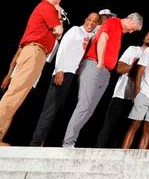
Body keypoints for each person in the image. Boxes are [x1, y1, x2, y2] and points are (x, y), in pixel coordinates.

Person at [0, 0, 65, 146]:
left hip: (36, 53)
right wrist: (58, 12)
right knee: (15, 93)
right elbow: (59, 31)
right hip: (34, 51)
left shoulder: (44, 8)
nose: (60, 0)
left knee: (17, 95)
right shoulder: (47, 6)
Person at [61, 12, 143, 148]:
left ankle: (72, 141)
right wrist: (100, 62)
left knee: (90, 109)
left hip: (105, 72)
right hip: (94, 65)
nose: (131, 31)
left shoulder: (119, 31)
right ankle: (68, 142)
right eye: (132, 28)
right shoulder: (113, 22)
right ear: (129, 20)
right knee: (84, 105)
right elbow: (103, 38)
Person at [30, 11, 98, 146]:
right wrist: (59, 70)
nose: (91, 23)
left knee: (59, 111)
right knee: (50, 109)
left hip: (73, 75)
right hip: (63, 72)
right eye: (89, 19)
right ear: (85, 19)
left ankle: (45, 143)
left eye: (94, 21)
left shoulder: (90, 36)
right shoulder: (75, 30)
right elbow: (62, 49)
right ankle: (35, 143)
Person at [94, 28, 149, 148]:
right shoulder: (133, 49)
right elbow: (119, 68)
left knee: (125, 130)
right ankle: (98, 150)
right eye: (148, 34)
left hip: (139, 96)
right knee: (109, 126)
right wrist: (137, 67)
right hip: (121, 94)